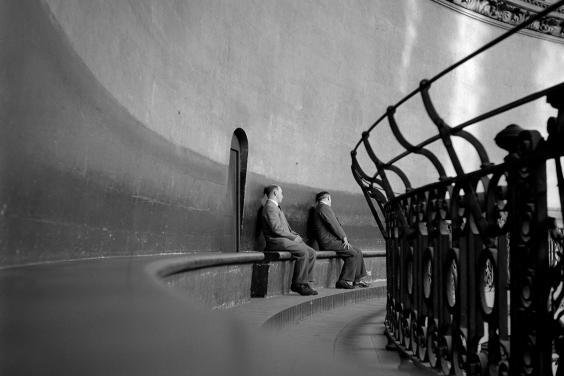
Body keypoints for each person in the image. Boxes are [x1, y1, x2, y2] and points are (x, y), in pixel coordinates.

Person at [261, 185, 318, 296]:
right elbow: (276, 229)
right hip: (275, 241)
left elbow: (286, 228)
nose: (283, 195)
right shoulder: (270, 207)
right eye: (281, 193)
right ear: (275, 193)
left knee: (312, 252)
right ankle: (299, 284)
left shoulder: (275, 207)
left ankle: (305, 282)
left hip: (284, 239)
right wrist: (293, 237)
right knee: (303, 251)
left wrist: (295, 235)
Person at [310, 191, 369, 289]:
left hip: (332, 241)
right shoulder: (323, 207)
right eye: (331, 199)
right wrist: (343, 237)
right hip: (328, 242)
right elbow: (333, 224)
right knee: (353, 253)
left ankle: (357, 280)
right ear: (328, 198)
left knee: (358, 251)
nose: (331, 201)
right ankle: (343, 280)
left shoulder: (321, 208)